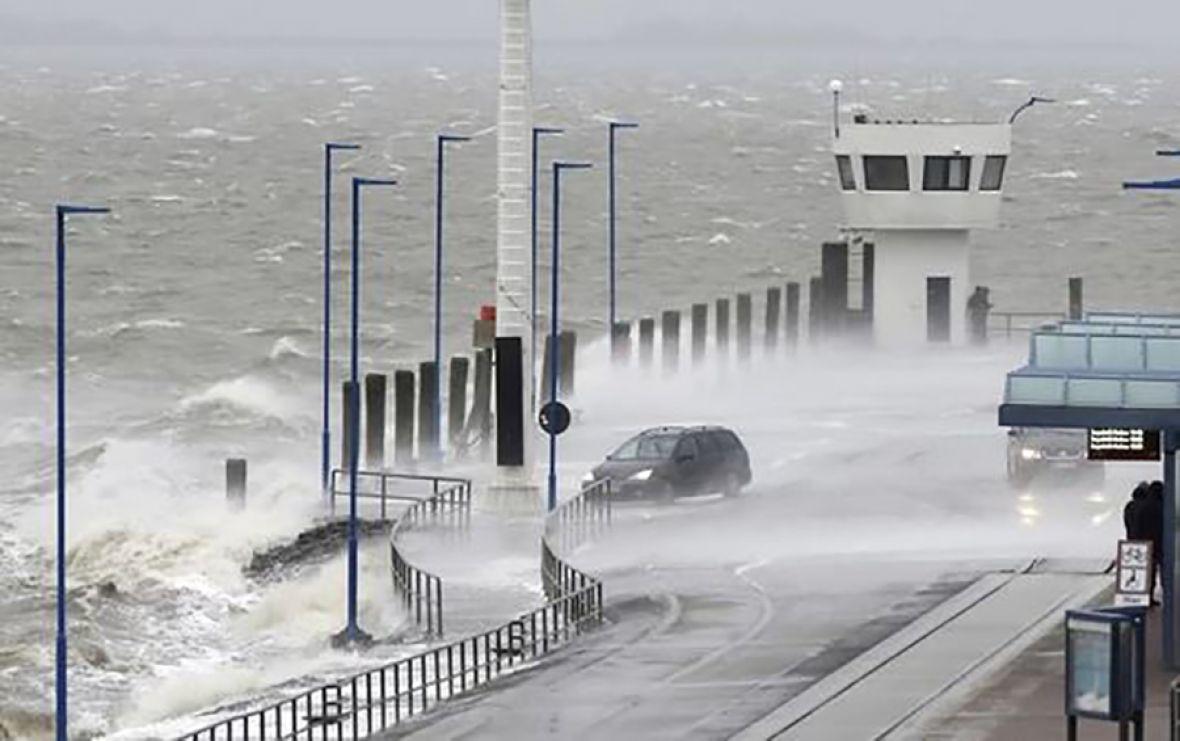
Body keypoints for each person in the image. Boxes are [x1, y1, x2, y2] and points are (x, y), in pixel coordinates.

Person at [1143, 481, 1165, 605]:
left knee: (1148, 572)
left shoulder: (1141, 505)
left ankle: (1147, 595)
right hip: (1160, 543)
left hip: (1144, 544)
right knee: (1163, 571)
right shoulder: (1162, 506)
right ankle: (1167, 593)